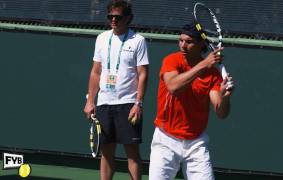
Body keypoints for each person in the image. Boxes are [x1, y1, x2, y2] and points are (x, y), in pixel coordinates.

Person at [149, 23, 234, 180]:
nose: (183, 45)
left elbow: (221, 112)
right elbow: (173, 86)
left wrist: (225, 96)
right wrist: (203, 65)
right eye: (180, 40)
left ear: (201, 44)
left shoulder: (213, 74)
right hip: (165, 139)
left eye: (188, 41)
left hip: (196, 143)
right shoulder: (171, 60)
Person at [83, 0, 149, 179]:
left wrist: (138, 103)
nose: (113, 20)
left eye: (118, 17)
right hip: (104, 103)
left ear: (128, 18)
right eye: (110, 16)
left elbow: (142, 74)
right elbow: (96, 71)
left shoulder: (138, 41)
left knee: (132, 154)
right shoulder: (102, 38)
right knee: (106, 153)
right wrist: (90, 100)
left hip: (128, 104)